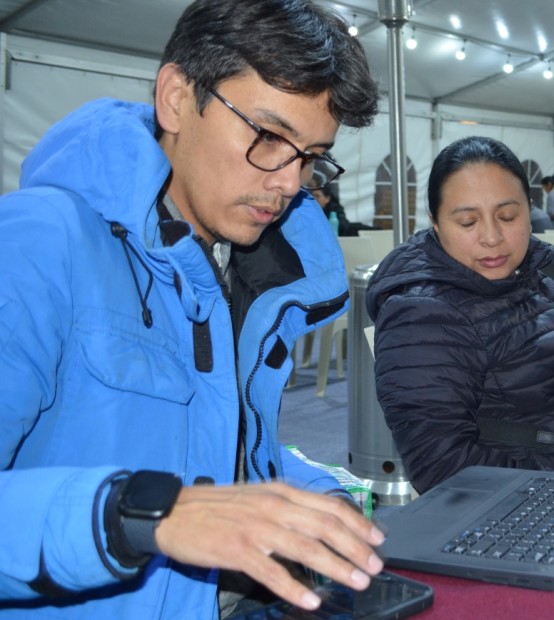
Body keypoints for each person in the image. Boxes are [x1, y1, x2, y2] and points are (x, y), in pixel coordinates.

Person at [0, 1, 386, 618]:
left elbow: (209, 454)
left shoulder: (245, 268)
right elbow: (174, 503)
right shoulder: (36, 243)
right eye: (267, 136)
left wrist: (321, 499)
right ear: (176, 97)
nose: (290, 183)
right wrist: (140, 513)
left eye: (311, 155)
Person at [366, 136, 554, 494]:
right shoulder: (419, 314)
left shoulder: (549, 268)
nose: (492, 238)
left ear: (530, 209)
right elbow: (441, 464)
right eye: (467, 222)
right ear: (436, 223)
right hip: (537, 498)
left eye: (508, 216)